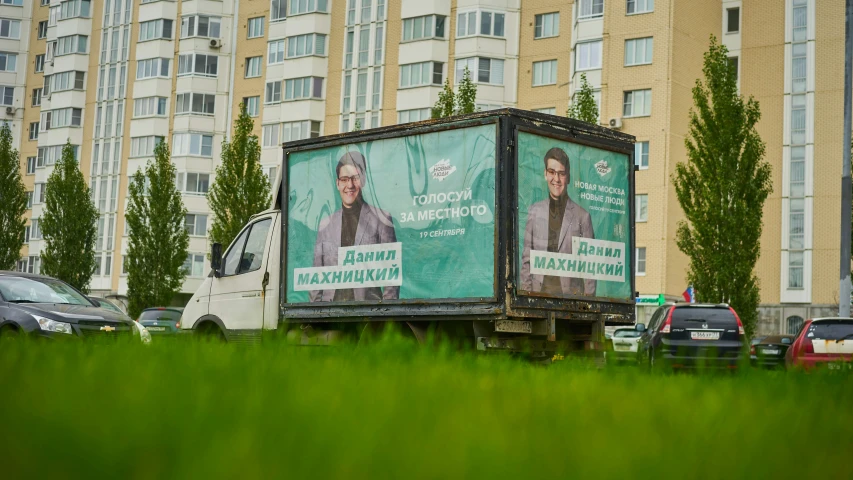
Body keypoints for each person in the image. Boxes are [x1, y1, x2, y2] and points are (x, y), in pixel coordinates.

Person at [310, 151, 399, 302]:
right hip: (331, 312)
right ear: (337, 183)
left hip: (368, 315)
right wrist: (316, 312)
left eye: (355, 178)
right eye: (344, 179)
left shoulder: (382, 219)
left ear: (363, 180)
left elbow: (391, 275)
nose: (349, 185)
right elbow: (317, 274)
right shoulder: (325, 224)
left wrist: (384, 314)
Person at [520, 147, 596, 296]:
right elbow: (526, 261)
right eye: (551, 172)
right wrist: (527, 297)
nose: (556, 179)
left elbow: (590, 268)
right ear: (545, 174)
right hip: (538, 297)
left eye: (561, 173)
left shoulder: (583, 216)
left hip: (570, 301)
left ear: (568, 177)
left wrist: (589, 306)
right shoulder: (534, 212)